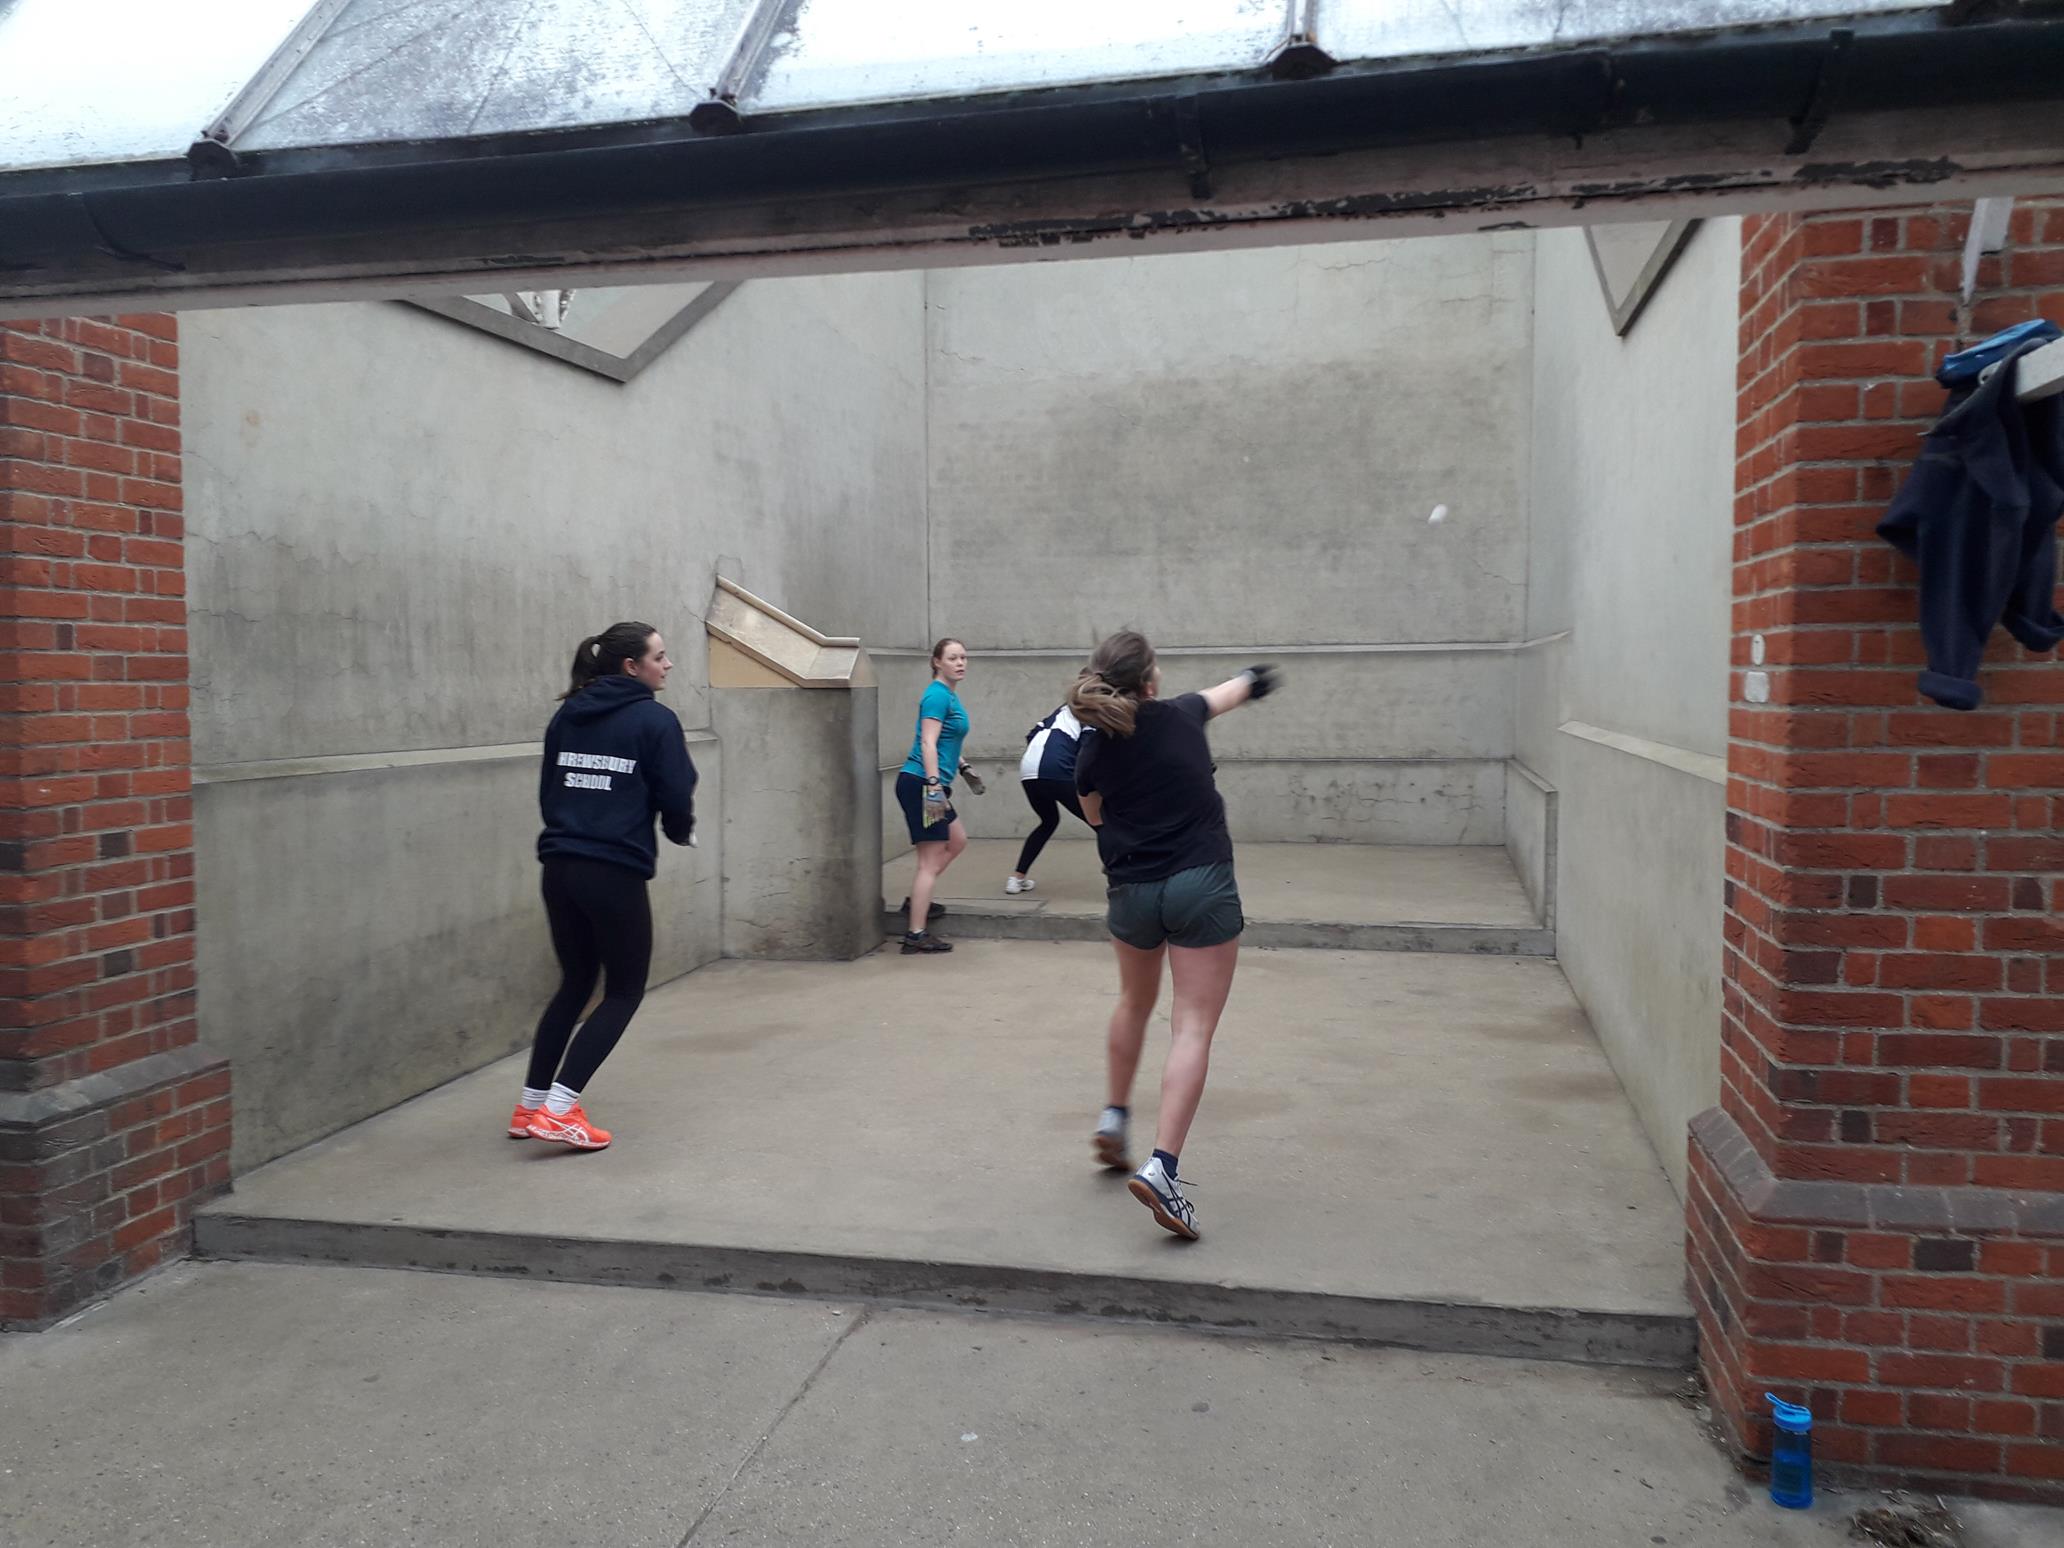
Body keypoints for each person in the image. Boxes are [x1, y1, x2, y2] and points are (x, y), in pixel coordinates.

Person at [1069, 632, 1277, 1238]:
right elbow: (1230, 692)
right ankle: (1163, 1170)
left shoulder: (1092, 747)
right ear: (1152, 682)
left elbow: (1095, 816)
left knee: (1135, 1001)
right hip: (1200, 884)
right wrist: (1256, 676)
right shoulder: (1184, 712)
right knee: (1192, 1025)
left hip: (1132, 891)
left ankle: (1113, 1118)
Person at [511, 621, 698, 1151]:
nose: (668, 665)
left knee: (575, 982)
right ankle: (560, 1109)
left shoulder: (568, 713)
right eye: (659, 657)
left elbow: (550, 787)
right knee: (623, 990)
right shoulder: (655, 721)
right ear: (631, 667)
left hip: (560, 867)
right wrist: (679, 830)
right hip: (612, 872)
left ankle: (530, 1107)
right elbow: (676, 791)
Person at [895, 638, 971, 954]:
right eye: (953, 658)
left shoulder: (948, 695)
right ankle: (915, 934)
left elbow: (945, 741)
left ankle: (918, 901)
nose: (960, 662)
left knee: (957, 840)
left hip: (929, 782)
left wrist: (964, 766)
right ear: (936, 662)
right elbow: (927, 743)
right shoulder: (937, 696)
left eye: (964, 657)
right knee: (929, 860)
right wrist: (935, 785)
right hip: (923, 784)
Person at [1006, 702, 1089, 894]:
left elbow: (1031, 734)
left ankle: (1017, 879)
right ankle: (1119, 881)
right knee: (1102, 824)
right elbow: (1088, 751)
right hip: (1057, 770)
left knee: (1048, 821)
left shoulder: (1059, 712)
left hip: (1028, 771)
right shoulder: (1090, 711)